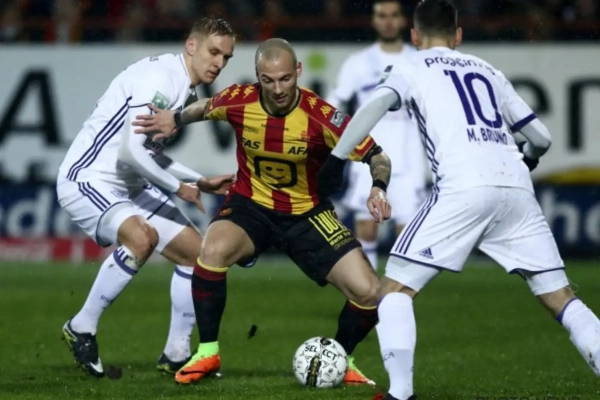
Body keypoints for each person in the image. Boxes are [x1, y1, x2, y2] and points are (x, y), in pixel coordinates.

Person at [316, 1, 600, 399]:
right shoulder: (488, 70)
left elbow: (375, 105)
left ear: (414, 36)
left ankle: (400, 393)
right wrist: (529, 158)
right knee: (561, 299)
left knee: (393, 291)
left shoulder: (410, 66)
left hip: (463, 187)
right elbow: (541, 138)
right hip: (518, 189)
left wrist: (335, 159)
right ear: (459, 35)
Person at [132, 38, 393, 386]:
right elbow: (206, 106)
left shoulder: (321, 116)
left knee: (370, 293)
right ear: (258, 77)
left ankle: (341, 359)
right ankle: (207, 352)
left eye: (285, 79)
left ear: (298, 71)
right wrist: (175, 119)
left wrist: (378, 187)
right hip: (251, 206)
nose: (278, 89)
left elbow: (378, 155)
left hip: (307, 215)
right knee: (211, 250)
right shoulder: (240, 100)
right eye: (268, 81)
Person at [56, 17, 236, 378]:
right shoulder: (162, 81)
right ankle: (81, 326)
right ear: (191, 46)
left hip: (130, 185)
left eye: (226, 57)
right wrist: (178, 187)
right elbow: (129, 152)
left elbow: (148, 153)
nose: (219, 62)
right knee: (141, 239)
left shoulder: (183, 87)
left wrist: (198, 180)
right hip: (88, 177)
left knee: (199, 255)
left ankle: (176, 353)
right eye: (213, 52)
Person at [327, 0, 426, 271]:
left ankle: (397, 293)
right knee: (366, 230)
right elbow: (334, 104)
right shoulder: (358, 63)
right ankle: (369, 293)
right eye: (382, 15)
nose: (388, 21)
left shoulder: (417, 61)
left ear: (403, 20)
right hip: (367, 155)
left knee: (407, 235)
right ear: (373, 20)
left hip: (409, 158)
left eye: (393, 15)